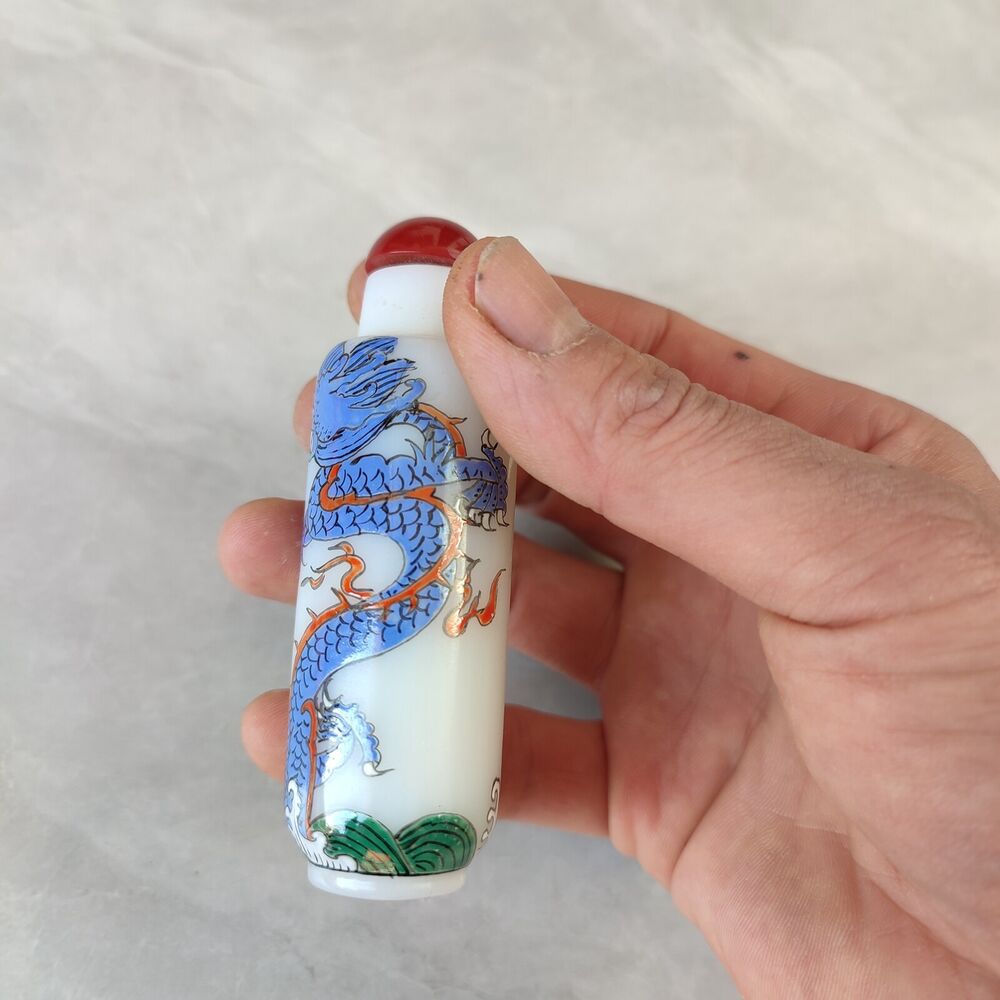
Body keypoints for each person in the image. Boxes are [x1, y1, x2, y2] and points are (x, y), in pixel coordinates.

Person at [219, 236, 1000, 997]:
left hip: (415, 582)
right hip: (388, 597)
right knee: (339, 670)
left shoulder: (451, 406)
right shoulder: (402, 414)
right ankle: (346, 785)